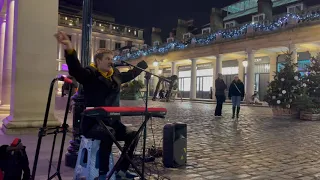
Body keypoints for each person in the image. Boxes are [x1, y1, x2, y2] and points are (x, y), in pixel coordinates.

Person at [55, 31, 148, 179]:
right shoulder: (90, 74)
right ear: (98, 61)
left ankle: (121, 170)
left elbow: (129, 75)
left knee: (133, 135)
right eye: (107, 59)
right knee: (108, 133)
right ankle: (103, 173)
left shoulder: (115, 74)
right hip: (93, 124)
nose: (111, 61)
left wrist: (143, 64)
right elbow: (75, 70)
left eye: (112, 58)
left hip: (113, 122)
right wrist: (69, 47)